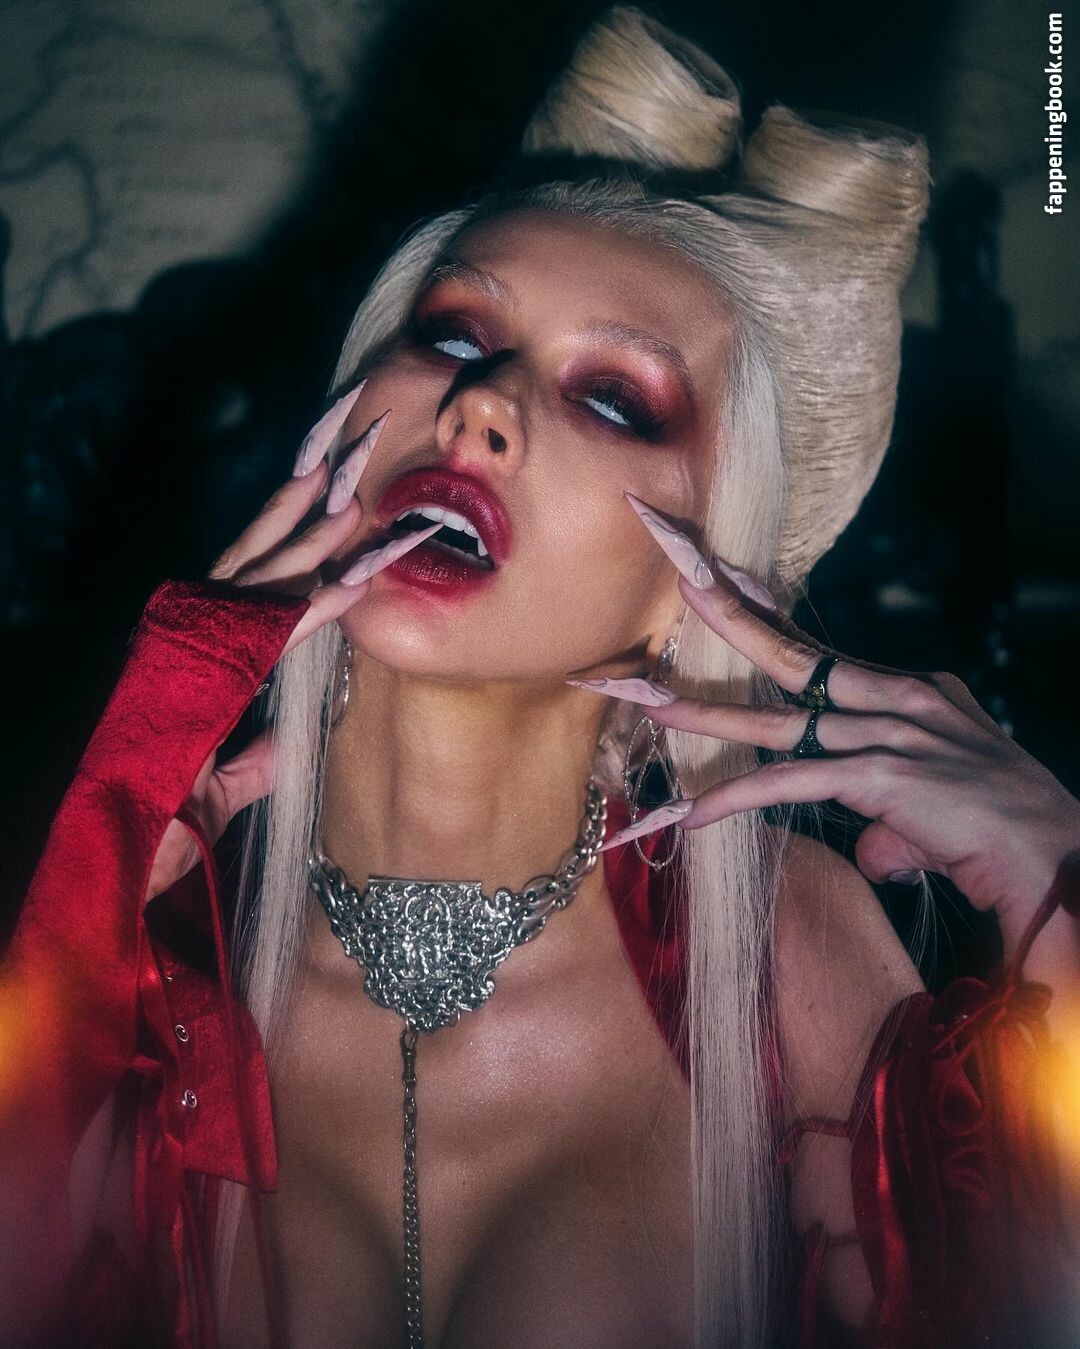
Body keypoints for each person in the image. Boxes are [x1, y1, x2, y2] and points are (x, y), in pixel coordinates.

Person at [1, 6, 1078, 1347]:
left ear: (697, 596)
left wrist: (1061, 885)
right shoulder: (149, 946)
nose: (483, 404)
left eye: (615, 398)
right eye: (457, 334)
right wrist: (94, 864)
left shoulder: (777, 958)